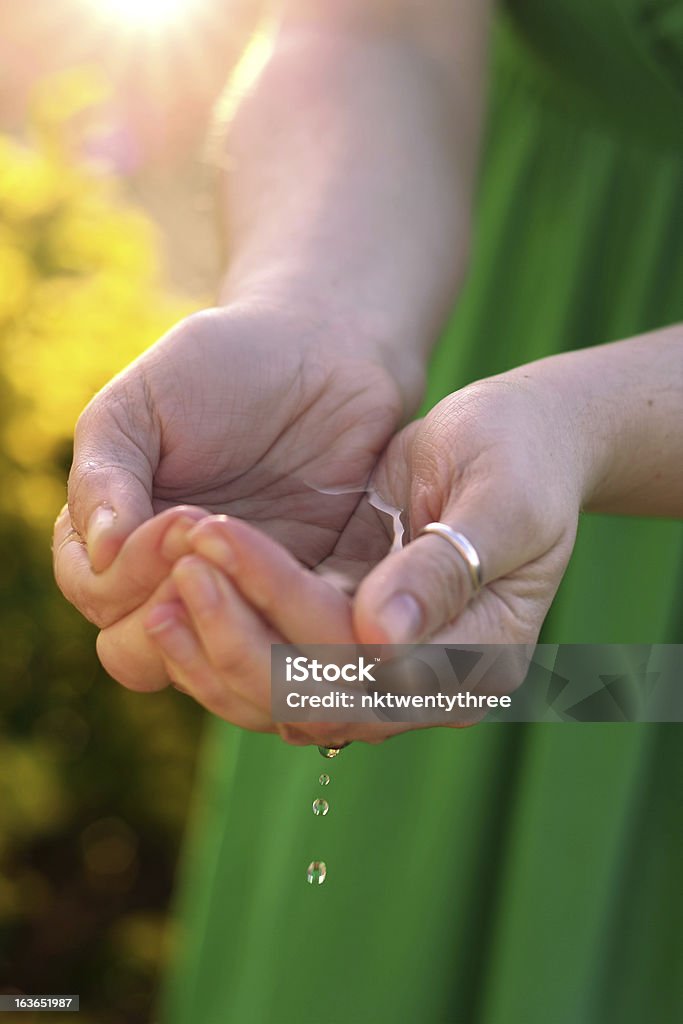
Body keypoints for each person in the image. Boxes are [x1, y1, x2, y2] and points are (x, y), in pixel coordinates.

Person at [53, 1, 683, 1021]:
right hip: (447, 372)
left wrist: (585, 423)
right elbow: (375, 27)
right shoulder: (364, 471)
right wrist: (317, 310)